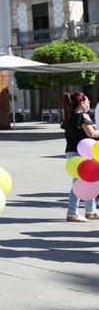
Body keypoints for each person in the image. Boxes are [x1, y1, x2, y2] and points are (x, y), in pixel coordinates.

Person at [62, 91, 99, 221]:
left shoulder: (69, 117)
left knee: (88, 180)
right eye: (87, 101)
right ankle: (72, 213)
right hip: (82, 153)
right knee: (79, 182)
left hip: (72, 151)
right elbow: (92, 134)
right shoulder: (83, 116)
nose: (89, 104)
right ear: (82, 103)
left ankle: (91, 211)